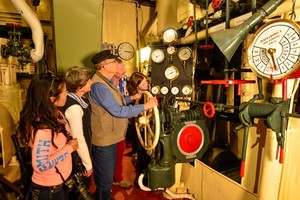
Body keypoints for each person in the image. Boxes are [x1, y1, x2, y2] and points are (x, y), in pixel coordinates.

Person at [88, 49, 158, 200]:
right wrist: (146, 106)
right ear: (105, 66)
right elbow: (118, 110)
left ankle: (105, 196)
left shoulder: (107, 82)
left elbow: (117, 101)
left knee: (107, 176)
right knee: (105, 180)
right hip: (105, 140)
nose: (118, 64)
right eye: (114, 62)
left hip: (112, 137)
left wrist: (133, 97)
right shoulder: (99, 86)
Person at [19, 70, 79, 200]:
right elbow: (40, 165)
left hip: (57, 184)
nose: (66, 94)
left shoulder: (55, 114)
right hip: (48, 191)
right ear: (52, 98)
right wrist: (69, 148)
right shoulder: (44, 130)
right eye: (64, 92)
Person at [62, 66, 94, 190]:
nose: (91, 82)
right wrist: (87, 164)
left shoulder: (80, 99)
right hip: (77, 158)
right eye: (88, 80)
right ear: (79, 87)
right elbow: (78, 138)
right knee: (82, 189)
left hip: (81, 152)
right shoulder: (74, 108)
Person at [127, 72, 151, 186]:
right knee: (142, 153)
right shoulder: (134, 97)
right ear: (137, 87)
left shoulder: (149, 93)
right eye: (143, 83)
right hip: (139, 128)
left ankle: (148, 175)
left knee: (149, 152)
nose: (147, 84)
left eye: (146, 81)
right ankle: (142, 177)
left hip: (149, 128)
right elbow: (134, 113)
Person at [112, 62, 131, 189]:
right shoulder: (106, 85)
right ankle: (106, 186)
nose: (124, 70)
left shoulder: (123, 81)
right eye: (121, 68)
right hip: (111, 126)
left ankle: (117, 179)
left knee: (120, 152)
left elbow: (123, 100)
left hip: (121, 124)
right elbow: (115, 107)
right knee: (108, 157)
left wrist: (133, 97)